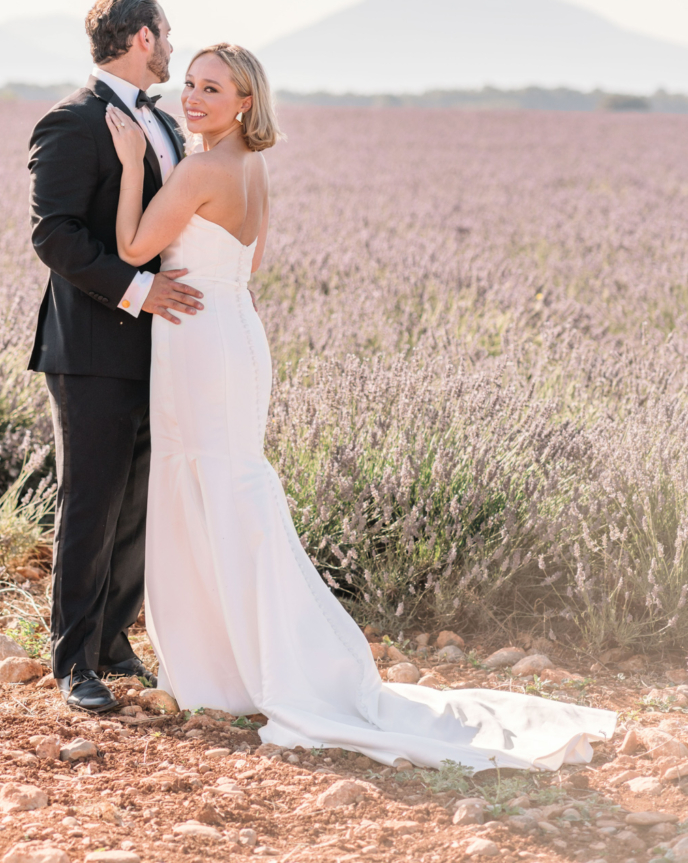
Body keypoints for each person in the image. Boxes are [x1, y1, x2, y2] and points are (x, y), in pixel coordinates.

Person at [103, 42, 616, 770]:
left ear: (245, 100)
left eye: (211, 88)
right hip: (234, 329)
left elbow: (129, 248)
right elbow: (251, 264)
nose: (193, 96)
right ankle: (254, 662)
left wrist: (130, 167)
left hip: (194, 338)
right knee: (231, 484)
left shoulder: (201, 168)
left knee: (209, 486)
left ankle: (233, 669)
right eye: (189, 83)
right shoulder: (250, 165)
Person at [27, 0, 203, 714]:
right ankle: (73, 662)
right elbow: (55, 235)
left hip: (162, 351)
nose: (172, 46)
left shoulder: (162, 123)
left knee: (139, 503)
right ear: (140, 37)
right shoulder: (69, 122)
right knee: (91, 504)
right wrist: (138, 291)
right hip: (92, 348)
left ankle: (113, 643)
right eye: (165, 33)